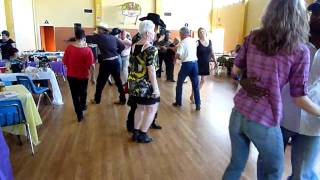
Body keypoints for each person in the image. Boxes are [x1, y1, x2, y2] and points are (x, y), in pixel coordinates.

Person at [222, 0, 320, 179]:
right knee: (274, 171)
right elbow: (298, 98)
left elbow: (235, 71)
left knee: (235, 165)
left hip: (238, 113)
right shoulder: (299, 50)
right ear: (299, 17)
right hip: (264, 118)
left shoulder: (253, 36)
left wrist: (244, 81)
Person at [280, 1, 320, 179]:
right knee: (270, 167)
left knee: (302, 175)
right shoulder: (291, 43)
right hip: (283, 113)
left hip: (311, 122)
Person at [126, 13, 165, 132]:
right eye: (155, 28)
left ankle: (144, 125)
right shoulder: (142, 38)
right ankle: (137, 128)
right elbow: (149, 65)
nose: (156, 30)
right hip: (143, 79)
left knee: (140, 106)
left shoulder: (138, 40)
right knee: (139, 106)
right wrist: (155, 87)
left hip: (137, 79)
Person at [86, 23, 126, 105]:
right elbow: (122, 46)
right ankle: (123, 100)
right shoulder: (113, 37)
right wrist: (116, 53)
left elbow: (86, 38)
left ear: (103, 30)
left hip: (107, 63)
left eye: (99, 28)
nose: (98, 30)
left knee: (100, 82)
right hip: (115, 62)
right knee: (118, 81)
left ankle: (97, 100)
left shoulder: (99, 37)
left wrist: (77, 37)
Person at [63, 28, 95, 122]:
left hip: (71, 76)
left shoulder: (69, 48)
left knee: (74, 95)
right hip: (83, 76)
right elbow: (92, 65)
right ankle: (83, 106)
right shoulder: (88, 50)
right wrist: (93, 77)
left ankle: (79, 114)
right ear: (84, 37)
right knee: (83, 92)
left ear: (75, 37)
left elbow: (65, 62)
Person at [172, 26, 201, 111]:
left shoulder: (182, 42)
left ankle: (178, 102)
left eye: (180, 34)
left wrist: (174, 59)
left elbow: (178, 54)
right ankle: (198, 104)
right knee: (195, 85)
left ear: (181, 34)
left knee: (179, 84)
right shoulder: (193, 41)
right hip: (195, 64)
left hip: (186, 65)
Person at [190, 27, 215, 103]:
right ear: (198, 34)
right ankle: (194, 96)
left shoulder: (210, 41)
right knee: (196, 81)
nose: (202, 33)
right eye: (200, 32)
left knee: (203, 81)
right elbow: (192, 51)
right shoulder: (197, 42)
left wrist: (215, 61)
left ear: (206, 32)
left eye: (203, 31)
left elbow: (212, 52)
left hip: (205, 64)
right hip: (197, 63)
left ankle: (192, 95)